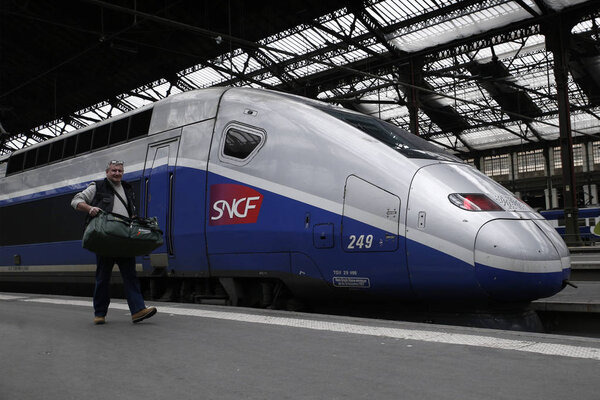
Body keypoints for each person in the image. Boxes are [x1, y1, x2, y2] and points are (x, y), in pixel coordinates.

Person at [72, 160, 157, 325]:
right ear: (107, 172)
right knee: (103, 278)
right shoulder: (97, 187)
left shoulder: (127, 189)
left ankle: (138, 311)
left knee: (130, 276)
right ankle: (100, 313)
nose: (117, 173)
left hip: (124, 239)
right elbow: (75, 201)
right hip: (106, 239)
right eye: (114, 171)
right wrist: (90, 209)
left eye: (119, 171)